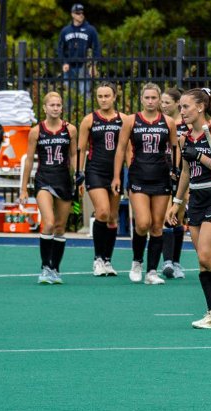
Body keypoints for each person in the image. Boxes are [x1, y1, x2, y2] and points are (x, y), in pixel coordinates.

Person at [170, 89, 211, 329]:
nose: (182, 111)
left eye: (186, 107)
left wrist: (202, 158)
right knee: (203, 261)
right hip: (196, 197)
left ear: (201, 108)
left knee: (207, 254)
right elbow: (185, 172)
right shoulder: (184, 138)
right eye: (181, 107)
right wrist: (176, 203)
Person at [115, 83, 177, 285]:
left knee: (157, 226)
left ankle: (151, 272)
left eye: (154, 98)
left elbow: (175, 149)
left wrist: (175, 170)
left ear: (159, 99)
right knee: (142, 223)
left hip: (161, 178)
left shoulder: (168, 122)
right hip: (138, 177)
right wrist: (117, 176)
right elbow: (121, 148)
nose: (151, 101)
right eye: (147, 98)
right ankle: (137, 262)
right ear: (142, 99)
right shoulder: (132, 121)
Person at [22, 92, 79, 284]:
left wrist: (79, 175)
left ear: (62, 108)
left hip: (63, 180)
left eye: (58, 105)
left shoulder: (70, 130)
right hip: (44, 180)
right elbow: (29, 159)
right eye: (52, 105)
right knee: (48, 223)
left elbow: (73, 156)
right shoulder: (36, 131)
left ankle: (55, 268)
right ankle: (45, 267)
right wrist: (23, 188)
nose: (55, 108)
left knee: (60, 227)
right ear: (45, 108)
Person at [79, 83, 123, 276]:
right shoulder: (89, 120)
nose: (103, 99)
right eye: (100, 96)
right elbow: (81, 149)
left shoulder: (124, 120)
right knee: (103, 212)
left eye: (107, 96)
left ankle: (107, 260)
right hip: (95, 170)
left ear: (114, 97)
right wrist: (78, 173)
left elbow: (128, 148)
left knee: (113, 217)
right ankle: (97, 259)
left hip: (116, 173)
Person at [160, 87, 189, 279]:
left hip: (183, 172)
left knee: (179, 215)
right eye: (161, 102)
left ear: (177, 104)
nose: (163, 106)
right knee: (166, 214)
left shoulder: (186, 123)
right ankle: (167, 261)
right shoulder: (161, 123)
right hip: (163, 171)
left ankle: (176, 261)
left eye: (166, 102)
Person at [58, 4, 100, 100]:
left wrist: (93, 64)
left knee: (85, 94)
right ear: (72, 14)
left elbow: (96, 48)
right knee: (68, 94)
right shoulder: (66, 31)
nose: (80, 15)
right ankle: (69, 114)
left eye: (82, 13)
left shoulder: (90, 30)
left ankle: (85, 114)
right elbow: (60, 48)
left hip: (84, 65)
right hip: (69, 66)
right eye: (78, 13)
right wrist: (63, 62)